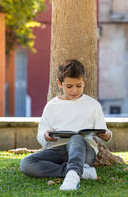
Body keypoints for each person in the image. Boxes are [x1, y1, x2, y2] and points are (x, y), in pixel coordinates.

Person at [20, 59, 112, 190]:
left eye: (79, 86)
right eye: (69, 86)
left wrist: (107, 135)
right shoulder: (52, 105)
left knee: (76, 138)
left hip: (85, 151)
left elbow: (105, 132)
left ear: (84, 81)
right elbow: (41, 133)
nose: (74, 90)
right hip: (58, 149)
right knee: (27, 163)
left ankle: (72, 178)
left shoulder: (93, 105)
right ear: (59, 83)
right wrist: (45, 136)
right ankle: (80, 171)